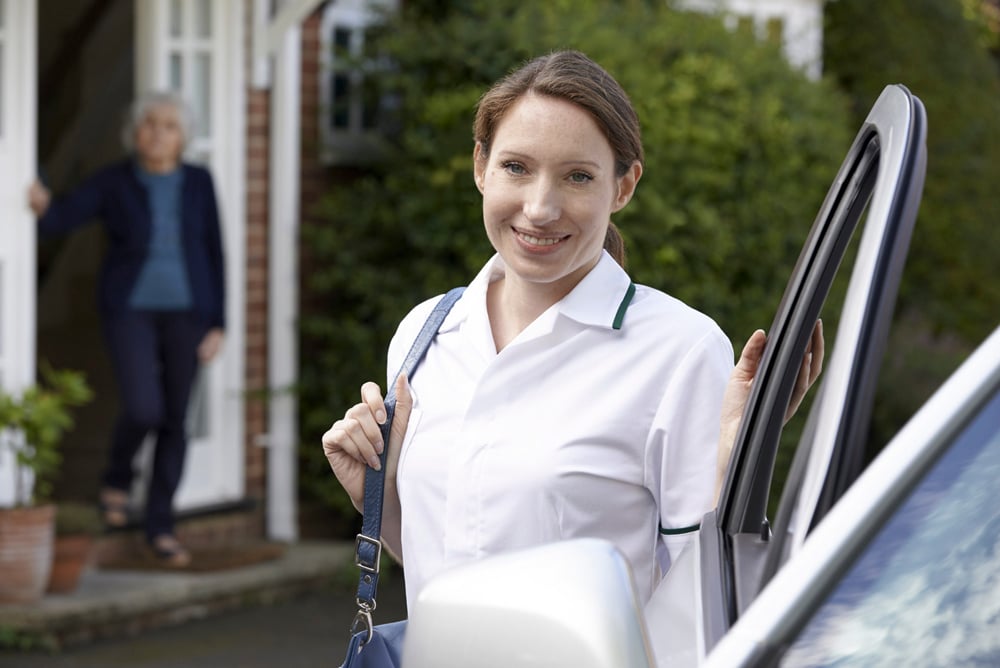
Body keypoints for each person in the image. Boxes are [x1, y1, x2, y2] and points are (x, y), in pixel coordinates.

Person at [321, 50, 821, 630]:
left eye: (578, 176)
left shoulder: (678, 350)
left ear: (624, 186)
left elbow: (706, 600)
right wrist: (378, 501)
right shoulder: (427, 331)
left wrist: (734, 466)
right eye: (516, 167)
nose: (539, 208)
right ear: (480, 166)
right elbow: (454, 558)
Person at [27, 91, 226, 567]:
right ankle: (117, 477)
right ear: (134, 133)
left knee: (174, 417)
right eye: (149, 124)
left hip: (189, 313)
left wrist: (218, 322)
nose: (157, 133)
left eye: (169, 126)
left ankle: (161, 525)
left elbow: (216, 252)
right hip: (129, 310)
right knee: (143, 407)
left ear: (183, 138)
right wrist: (37, 194)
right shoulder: (115, 181)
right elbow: (60, 217)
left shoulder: (199, 182)